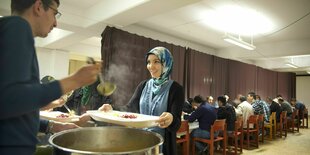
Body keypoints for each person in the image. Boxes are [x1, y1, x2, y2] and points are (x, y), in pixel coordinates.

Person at [0, 0, 101, 154]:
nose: (55, 23)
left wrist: (51, 126)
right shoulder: (18, 26)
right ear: (39, 7)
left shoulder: (10, 29)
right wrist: (74, 80)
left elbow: (17, 106)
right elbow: (10, 99)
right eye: (54, 13)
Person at [99, 47, 184, 155]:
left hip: (162, 145)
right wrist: (112, 109)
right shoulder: (143, 85)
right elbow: (129, 108)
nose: (150, 66)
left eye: (156, 62)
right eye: (148, 62)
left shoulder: (176, 89)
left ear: (166, 63)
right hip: (141, 140)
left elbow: (176, 123)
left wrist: (171, 118)